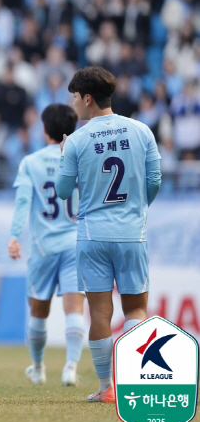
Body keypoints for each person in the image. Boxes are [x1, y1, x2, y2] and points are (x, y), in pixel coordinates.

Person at [56, 66, 162, 403]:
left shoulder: (76, 140)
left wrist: (62, 157)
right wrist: (137, 208)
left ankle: (106, 388)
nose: (73, 103)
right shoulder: (141, 130)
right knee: (135, 311)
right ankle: (134, 381)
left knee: (100, 314)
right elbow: (155, 179)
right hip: (132, 232)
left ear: (87, 99)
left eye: (74, 97)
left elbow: (61, 191)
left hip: (92, 234)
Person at [8, 103, 86, 387]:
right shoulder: (81, 160)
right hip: (77, 244)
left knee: (38, 312)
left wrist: (15, 236)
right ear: (73, 129)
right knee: (75, 309)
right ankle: (71, 368)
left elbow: (23, 203)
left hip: (43, 247)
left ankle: (39, 368)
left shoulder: (31, 162)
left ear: (44, 130)